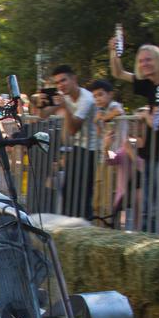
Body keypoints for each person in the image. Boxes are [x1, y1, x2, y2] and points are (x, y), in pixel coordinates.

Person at [109, 36, 159, 234]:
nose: (144, 64)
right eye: (141, 61)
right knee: (150, 200)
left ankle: (158, 237)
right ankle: (148, 237)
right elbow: (118, 72)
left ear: (158, 60)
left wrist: (144, 115)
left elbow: (156, 121)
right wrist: (114, 52)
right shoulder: (149, 84)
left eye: (148, 60)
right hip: (152, 153)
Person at [36, 65, 97, 219]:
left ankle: (83, 228)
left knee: (82, 194)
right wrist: (42, 103)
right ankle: (68, 226)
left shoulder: (87, 98)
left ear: (74, 79)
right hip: (76, 149)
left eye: (63, 80)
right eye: (57, 83)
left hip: (91, 150)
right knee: (68, 191)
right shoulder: (66, 97)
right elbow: (43, 115)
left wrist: (64, 106)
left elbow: (73, 129)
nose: (60, 85)